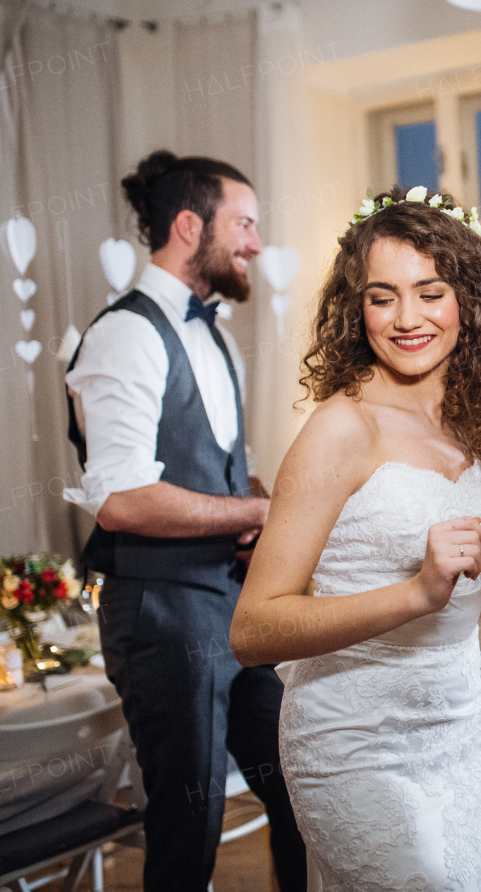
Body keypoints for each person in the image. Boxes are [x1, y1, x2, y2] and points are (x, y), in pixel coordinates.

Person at [229, 186, 481, 889]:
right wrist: (414, 593)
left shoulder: (473, 427)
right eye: (382, 296)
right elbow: (253, 630)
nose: (407, 319)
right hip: (353, 746)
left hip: (459, 733)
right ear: (355, 307)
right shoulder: (342, 427)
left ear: (469, 302)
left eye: (430, 292)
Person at [63, 151, 306, 891]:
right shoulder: (124, 336)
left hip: (237, 606)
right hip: (162, 615)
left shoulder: (219, 337)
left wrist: (258, 500)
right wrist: (260, 510)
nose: (256, 246)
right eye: (245, 224)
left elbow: (215, 468)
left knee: (302, 789)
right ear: (189, 224)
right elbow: (123, 498)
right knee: (187, 825)